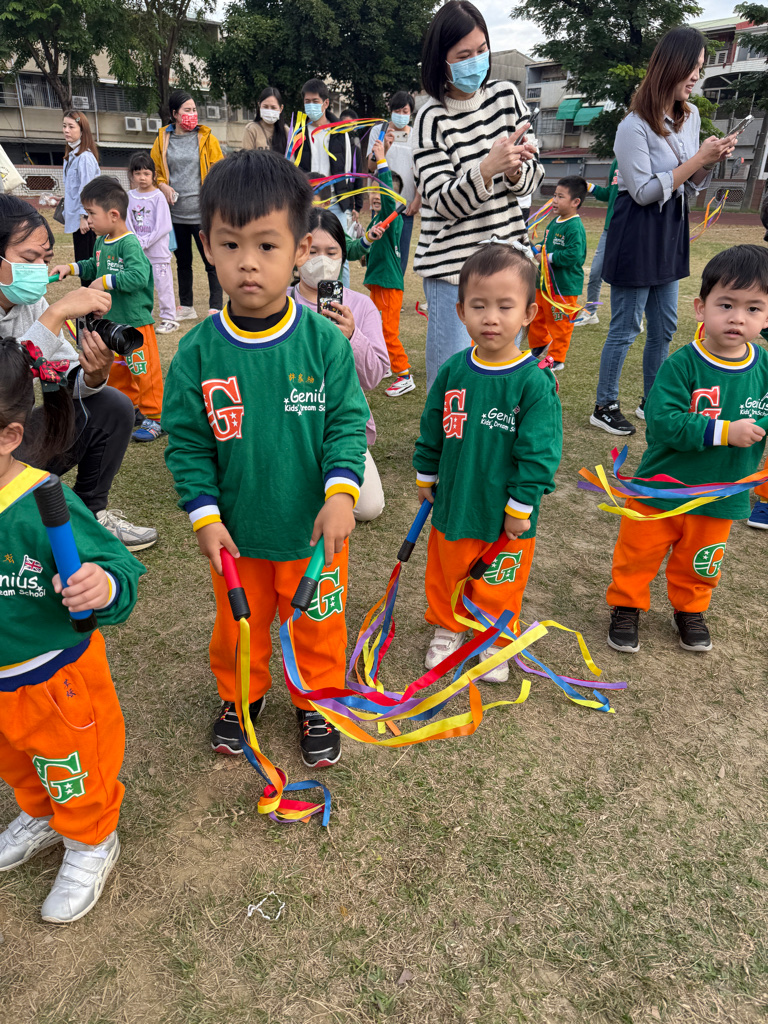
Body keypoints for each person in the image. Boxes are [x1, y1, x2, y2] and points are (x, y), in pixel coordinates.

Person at [162, 150, 369, 768]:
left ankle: (317, 701)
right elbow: (187, 443)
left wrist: (341, 495)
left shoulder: (324, 342)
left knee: (317, 626)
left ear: (301, 250)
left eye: (267, 245)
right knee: (238, 625)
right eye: (231, 244)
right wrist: (204, 516)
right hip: (237, 534)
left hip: (314, 534)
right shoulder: (197, 352)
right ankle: (240, 697)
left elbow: (347, 425)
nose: (248, 262)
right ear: (206, 246)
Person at [0, 336, 143, 923]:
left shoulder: (41, 502)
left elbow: (120, 570)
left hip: (54, 678)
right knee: (17, 764)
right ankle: (39, 814)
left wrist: (100, 586)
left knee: (71, 767)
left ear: (9, 436)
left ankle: (90, 839)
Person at [605, 245, 768, 655]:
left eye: (753, 308)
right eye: (726, 305)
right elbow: (662, 422)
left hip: (720, 493)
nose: (737, 318)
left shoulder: (764, 368)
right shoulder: (682, 364)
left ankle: (691, 609)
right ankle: (626, 605)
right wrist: (724, 431)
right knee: (638, 552)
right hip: (662, 487)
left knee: (701, 559)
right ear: (700, 308)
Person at [413, 244, 562, 680]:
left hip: (506, 512)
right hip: (456, 501)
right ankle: (448, 625)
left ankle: (494, 636)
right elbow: (432, 425)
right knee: (447, 569)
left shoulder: (534, 383)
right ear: (461, 311)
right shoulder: (453, 370)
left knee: (500, 577)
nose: (491, 317)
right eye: (479, 306)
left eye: (504, 306)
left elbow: (539, 453)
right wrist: (426, 472)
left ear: (529, 313)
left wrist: (521, 506)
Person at [591, 26, 738, 437]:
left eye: (701, 68)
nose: (697, 76)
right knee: (626, 326)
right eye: (693, 67)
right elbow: (641, 192)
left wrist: (710, 160)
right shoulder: (633, 125)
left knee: (665, 326)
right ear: (671, 65)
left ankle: (653, 400)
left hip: (672, 225)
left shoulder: (690, 117)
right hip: (637, 230)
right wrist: (697, 161)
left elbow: (690, 184)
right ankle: (605, 405)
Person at [0, 193, 157, 551]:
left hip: (12, 440)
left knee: (111, 404)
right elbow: (6, 380)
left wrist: (93, 375)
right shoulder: (44, 309)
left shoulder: (30, 302)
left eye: (45, 260)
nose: (39, 269)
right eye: (28, 259)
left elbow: (65, 372)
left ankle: (90, 515)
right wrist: (55, 314)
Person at [412, 1, 543, 392]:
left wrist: (516, 169)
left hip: (509, 266)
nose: (476, 61)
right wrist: (487, 168)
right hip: (453, 272)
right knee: (451, 383)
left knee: (503, 379)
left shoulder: (507, 97)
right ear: (441, 61)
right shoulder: (430, 118)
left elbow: (532, 179)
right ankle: (446, 435)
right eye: (463, 55)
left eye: (482, 50)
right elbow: (441, 201)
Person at [290, 209, 388, 521]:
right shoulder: (280, 304)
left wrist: (352, 336)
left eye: (331, 252)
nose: (322, 260)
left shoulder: (360, 305)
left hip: (341, 423)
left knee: (369, 507)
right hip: (292, 419)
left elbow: (373, 377)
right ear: (297, 252)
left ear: (343, 256)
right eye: (312, 251)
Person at [52, 176, 164, 444]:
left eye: (91, 214)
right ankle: (129, 408)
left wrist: (105, 281)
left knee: (143, 370)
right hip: (111, 323)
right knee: (118, 369)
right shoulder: (102, 241)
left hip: (135, 322)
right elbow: (94, 265)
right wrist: (70, 268)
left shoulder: (129, 243)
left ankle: (156, 416)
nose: (88, 220)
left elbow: (138, 276)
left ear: (113, 215)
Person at [150, 90, 225, 320]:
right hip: (176, 214)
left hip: (203, 213)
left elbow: (220, 170)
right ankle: (187, 306)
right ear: (174, 114)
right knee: (183, 263)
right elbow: (155, 171)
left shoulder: (207, 138)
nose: (192, 114)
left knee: (211, 261)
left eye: (194, 110)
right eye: (187, 110)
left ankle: (215, 306)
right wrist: (162, 185)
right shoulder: (162, 139)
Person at [363, 141, 413, 398]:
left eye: (381, 192)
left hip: (389, 285)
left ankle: (404, 374)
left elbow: (386, 199)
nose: (376, 195)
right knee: (375, 328)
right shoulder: (375, 220)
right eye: (373, 190)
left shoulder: (391, 218)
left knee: (388, 331)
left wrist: (381, 160)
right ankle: (383, 365)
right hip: (379, 283)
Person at [298, 79, 355, 286]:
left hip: (335, 201)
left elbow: (348, 170)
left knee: (340, 253)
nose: (311, 105)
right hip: (309, 201)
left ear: (326, 103)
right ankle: (310, 295)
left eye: (315, 101)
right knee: (308, 252)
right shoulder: (299, 133)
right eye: (307, 101)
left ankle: (342, 297)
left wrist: (350, 205)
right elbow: (293, 167)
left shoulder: (340, 133)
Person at [528, 176, 587, 371]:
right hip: (543, 283)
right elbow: (548, 244)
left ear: (575, 202)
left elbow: (574, 255)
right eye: (554, 195)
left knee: (560, 323)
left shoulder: (574, 226)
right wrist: (540, 247)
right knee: (536, 315)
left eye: (560, 197)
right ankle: (539, 345)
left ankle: (557, 358)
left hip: (563, 287)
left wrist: (548, 257)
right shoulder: (555, 222)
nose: (554, 200)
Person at [366, 91, 422, 274]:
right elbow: (370, 166)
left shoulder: (416, 135)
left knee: (401, 254)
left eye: (405, 111)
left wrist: (417, 199)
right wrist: (384, 148)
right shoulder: (379, 131)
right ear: (390, 111)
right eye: (397, 111)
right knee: (380, 251)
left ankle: (396, 289)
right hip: (382, 203)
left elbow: (421, 169)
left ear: (411, 113)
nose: (401, 115)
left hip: (405, 205)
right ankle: (378, 287)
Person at [127, 151, 177, 334]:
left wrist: (146, 241)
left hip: (158, 252)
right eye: (138, 173)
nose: (142, 177)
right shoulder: (130, 196)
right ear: (132, 175)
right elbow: (128, 222)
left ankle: (169, 318)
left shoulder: (158, 196)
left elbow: (164, 225)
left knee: (163, 285)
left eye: (146, 173)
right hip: (138, 252)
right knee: (139, 284)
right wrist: (136, 241)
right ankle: (142, 316)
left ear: (154, 175)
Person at [573, 159, 618, 328]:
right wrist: (589, 187)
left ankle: (632, 315)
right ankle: (591, 312)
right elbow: (609, 194)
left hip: (630, 231)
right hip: (609, 229)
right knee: (595, 273)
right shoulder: (616, 162)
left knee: (625, 277)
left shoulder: (641, 158)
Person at [61, 111, 100, 285]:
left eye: (71, 126)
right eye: (64, 126)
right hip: (77, 220)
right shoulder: (71, 156)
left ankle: (92, 300)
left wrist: (85, 216)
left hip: (84, 221)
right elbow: (75, 189)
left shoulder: (84, 157)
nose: (66, 130)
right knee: (82, 264)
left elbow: (88, 189)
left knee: (87, 267)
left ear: (82, 130)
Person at [241, 86, 289, 154]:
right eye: (265, 107)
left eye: (273, 107)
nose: (269, 110)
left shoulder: (286, 131)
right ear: (259, 106)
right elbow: (246, 157)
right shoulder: (251, 129)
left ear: (281, 108)